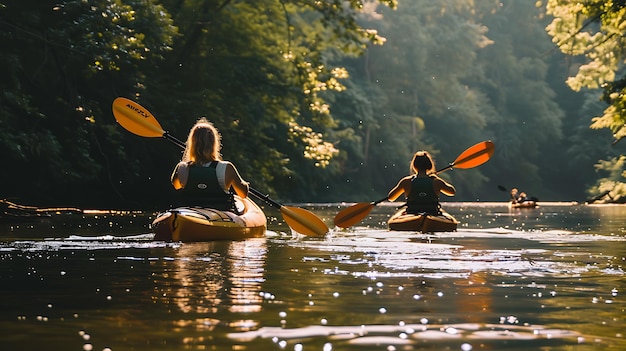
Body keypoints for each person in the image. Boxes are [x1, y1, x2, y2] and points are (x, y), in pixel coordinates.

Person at [170, 118, 249, 211]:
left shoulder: (182, 168)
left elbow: (176, 186)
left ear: (191, 144)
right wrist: (244, 184)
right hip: (218, 214)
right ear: (214, 144)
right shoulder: (226, 168)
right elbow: (243, 194)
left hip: (191, 213)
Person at [387, 150, 456, 215]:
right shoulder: (436, 181)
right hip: (432, 212)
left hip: (412, 212)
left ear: (414, 166)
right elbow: (452, 192)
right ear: (429, 165)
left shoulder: (406, 181)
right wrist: (437, 178)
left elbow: (391, 198)